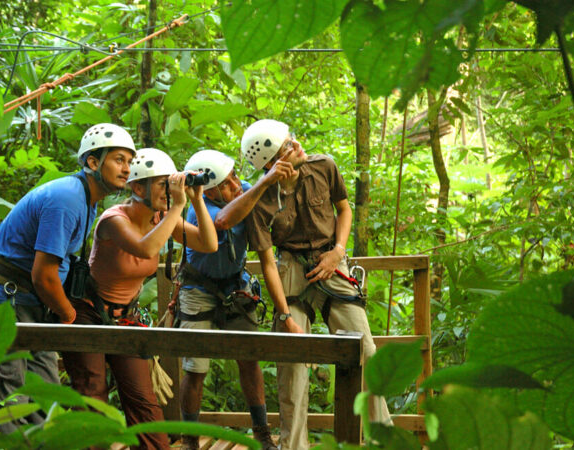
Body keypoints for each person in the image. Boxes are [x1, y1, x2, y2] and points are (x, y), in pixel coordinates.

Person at [0, 123, 136, 432]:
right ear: (92, 162)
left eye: (129, 161)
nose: (126, 168)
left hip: (31, 303)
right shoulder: (68, 199)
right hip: (5, 299)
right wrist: (69, 314)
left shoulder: (87, 199)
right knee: (11, 393)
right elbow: (44, 275)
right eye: (118, 159)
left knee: (45, 391)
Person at [242, 119, 392, 450]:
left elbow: (343, 209)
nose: (296, 146)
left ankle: (384, 439)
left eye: (292, 140)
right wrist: (285, 317)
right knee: (293, 365)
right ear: (271, 164)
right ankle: (294, 446)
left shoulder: (323, 166)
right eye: (286, 147)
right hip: (291, 268)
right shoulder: (262, 201)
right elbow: (268, 263)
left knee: (365, 351)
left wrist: (338, 252)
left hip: (331, 261)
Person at [62, 147, 218, 449]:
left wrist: (196, 200)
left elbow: (208, 243)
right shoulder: (113, 219)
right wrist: (176, 208)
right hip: (88, 313)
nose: (170, 190)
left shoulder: (161, 216)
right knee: (92, 395)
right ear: (137, 187)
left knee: (143, 400)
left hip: (125, 317)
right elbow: (146, 249)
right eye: (163, 183)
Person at [175, 150, 295, 450]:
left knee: (249, 359)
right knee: (195, 367)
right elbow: (224, 222)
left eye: (235, 177)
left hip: (235, 288)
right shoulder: (200, 208)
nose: (237, 185)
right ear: (210, 189)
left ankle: (262, 432)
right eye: (227, 183)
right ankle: (189, 439)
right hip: (198, 289)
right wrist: (264, 182)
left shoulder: (243, 200)